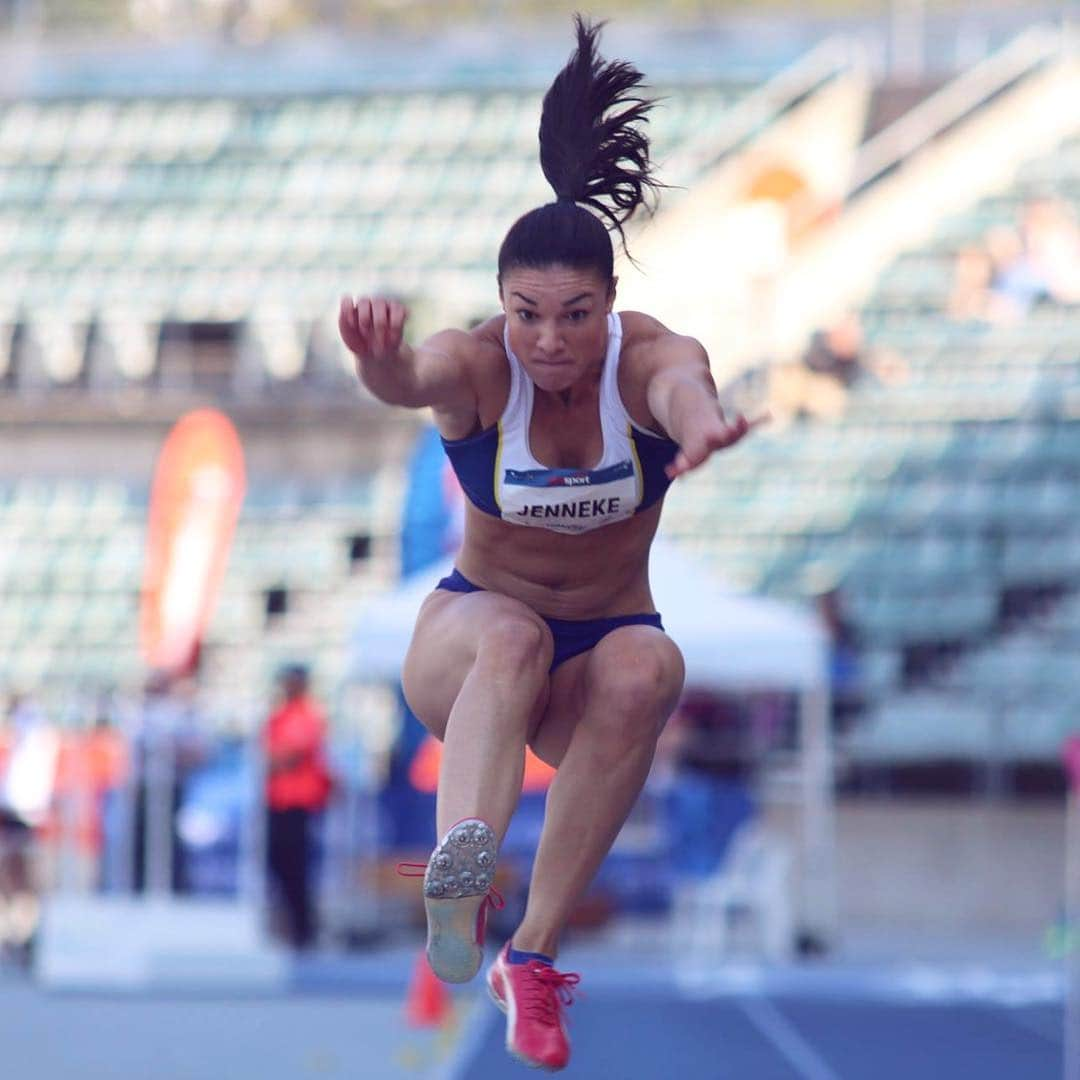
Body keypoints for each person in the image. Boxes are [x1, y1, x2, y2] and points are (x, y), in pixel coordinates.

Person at [339, 17, 762, 1072]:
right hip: (471, 648)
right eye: (527, 315)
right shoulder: (480, 367)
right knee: (517, 634)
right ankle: (466, 872)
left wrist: (703, 428)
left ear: (612, 306)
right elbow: (411, 382)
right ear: (501, 309)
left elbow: (684, 390)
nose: (551, 341)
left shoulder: (649, 363)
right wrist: (380, 363)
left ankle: (529, 959)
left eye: (576, 316)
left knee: (652, 661)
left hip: (595, 667)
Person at [262, 663, 332, 951]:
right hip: (278, 801)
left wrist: (271, 760)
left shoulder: (306, 716)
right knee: (279, 865)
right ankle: (291, 926)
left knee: (297, 867)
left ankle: (304, 930)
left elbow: (288, 757)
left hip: (298, 803)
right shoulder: (281, 716)